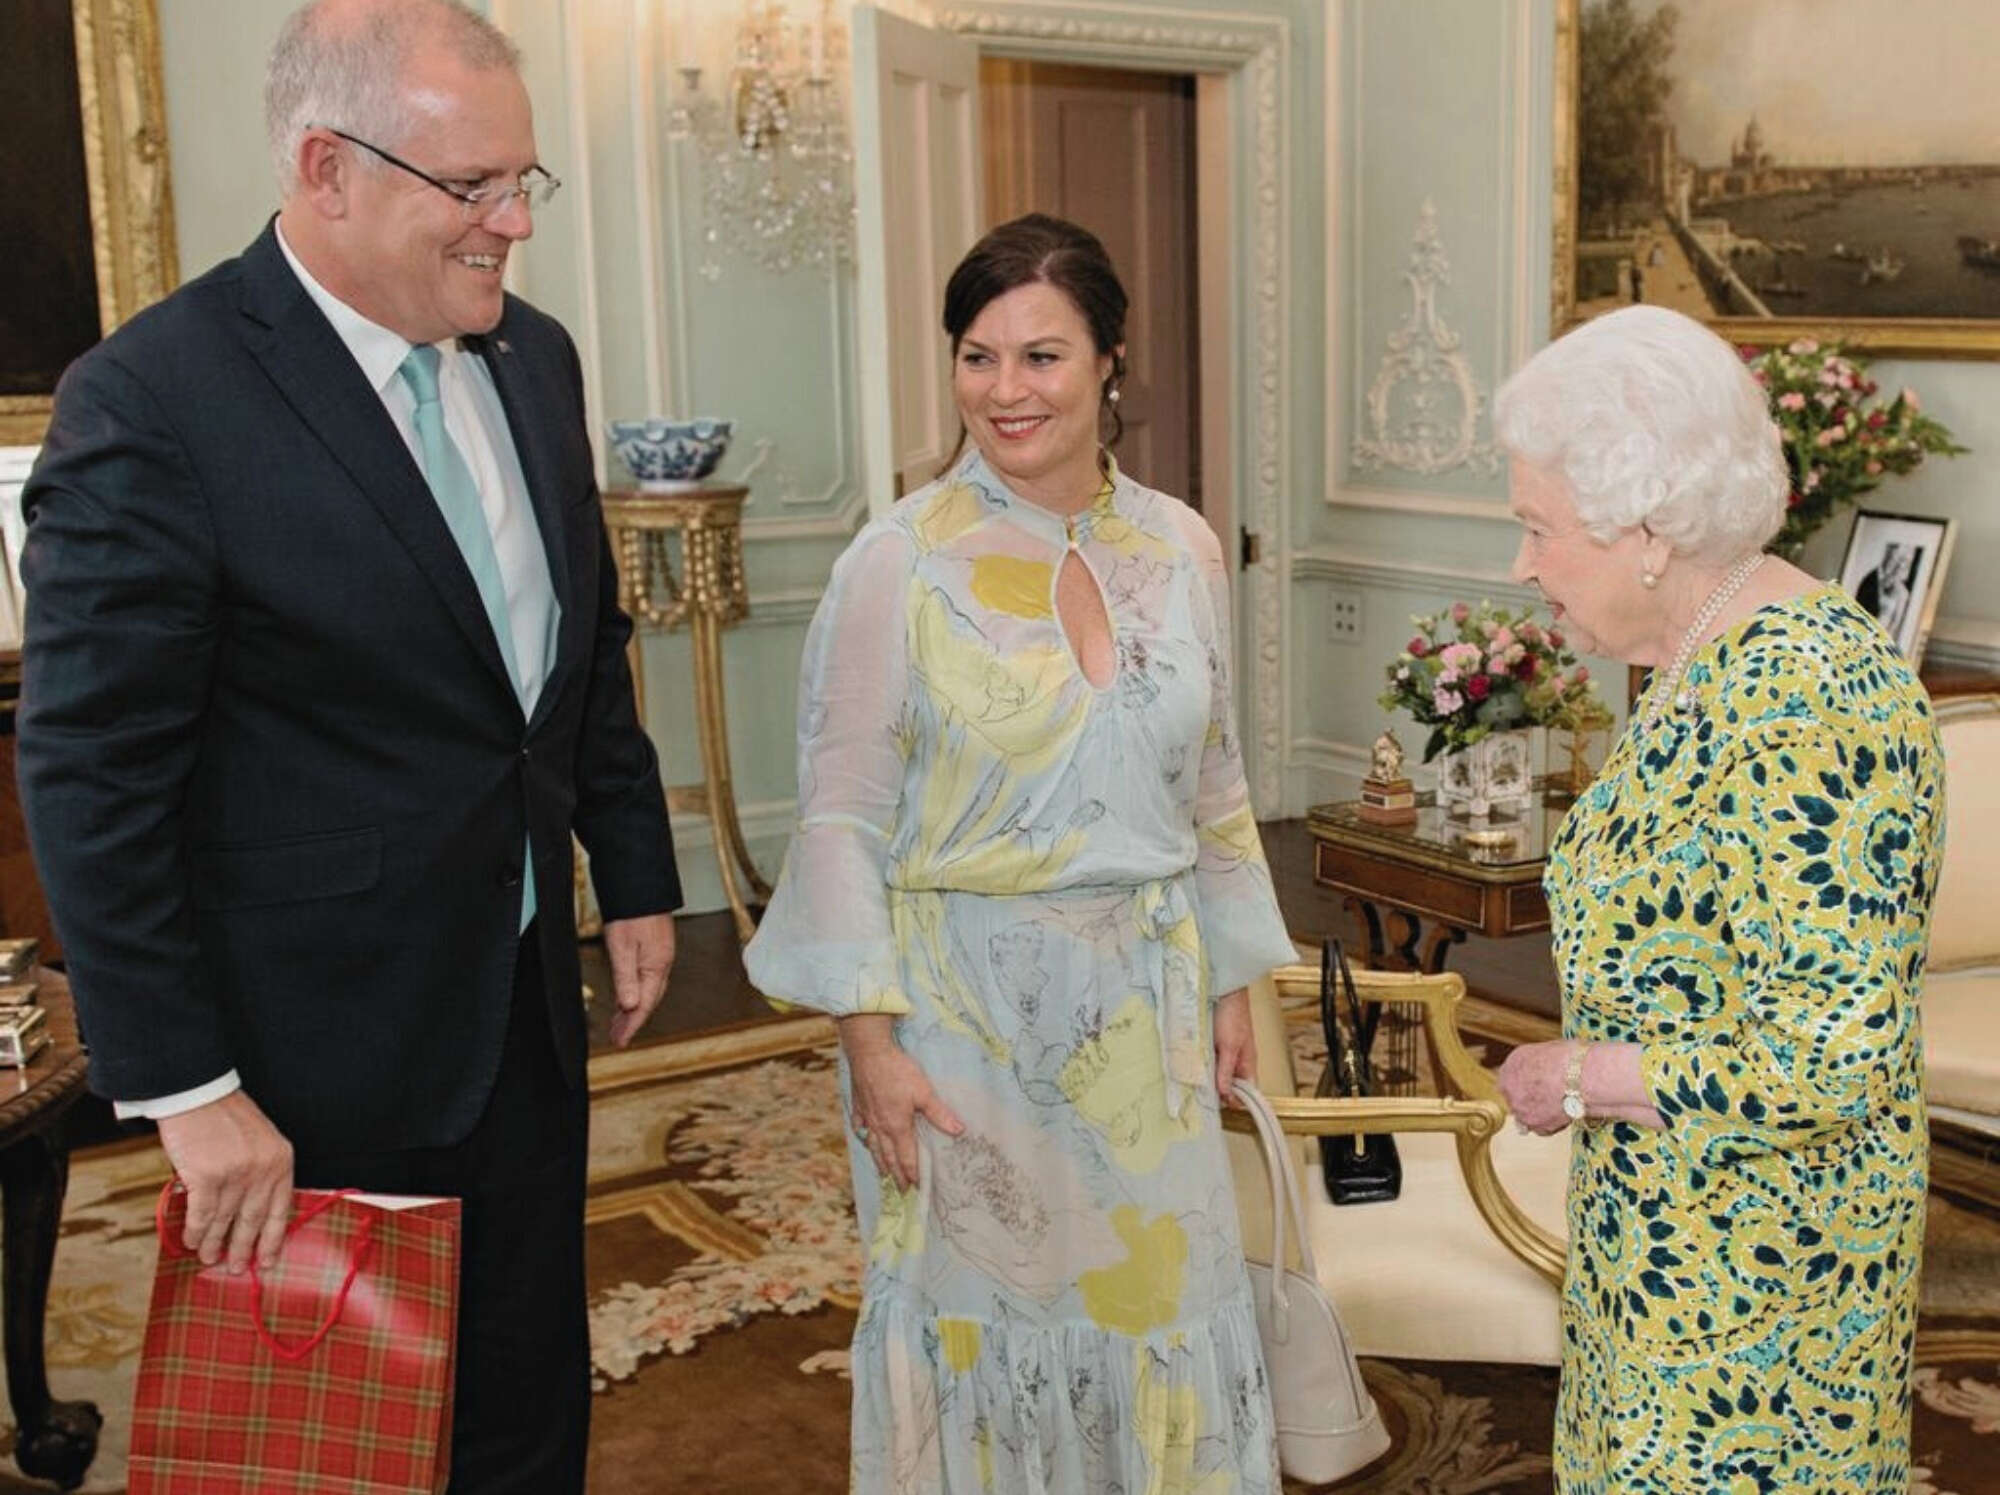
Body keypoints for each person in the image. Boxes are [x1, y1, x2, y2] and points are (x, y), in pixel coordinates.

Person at [16, 3, 681, 1489]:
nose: (513, 221)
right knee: (342, 1447)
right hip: (307, 1053)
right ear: (327, 167)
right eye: (474, 188)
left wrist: (631, 868)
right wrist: (189, 1091)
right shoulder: (152, 403)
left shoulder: (534, 360)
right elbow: (90, 775)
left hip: (516, 1002)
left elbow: (583, 643)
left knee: (523, 1395)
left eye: (527, 181)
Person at [745, 213, 1294, 1492]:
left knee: (1165, 1304)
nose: (1005, 391)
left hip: (1146, 1007)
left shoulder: (1182, 544)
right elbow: (837, 818)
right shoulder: (898, 560)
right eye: (976, 356)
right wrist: (868, 1048)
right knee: (990, 1328)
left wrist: (1225, 983)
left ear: (1110, 360)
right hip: (959, 1020)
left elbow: (1213, 781)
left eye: (1040, 356)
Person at [1489, 304, 1943, 1494]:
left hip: (1763, 1279)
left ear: (1643, 528)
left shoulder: (1808, 699)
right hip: (1672, 1240)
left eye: (1537, 528)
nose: (1520, 564)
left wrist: (1577, 1074)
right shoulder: (1701, 656)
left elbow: (1829, 1054)